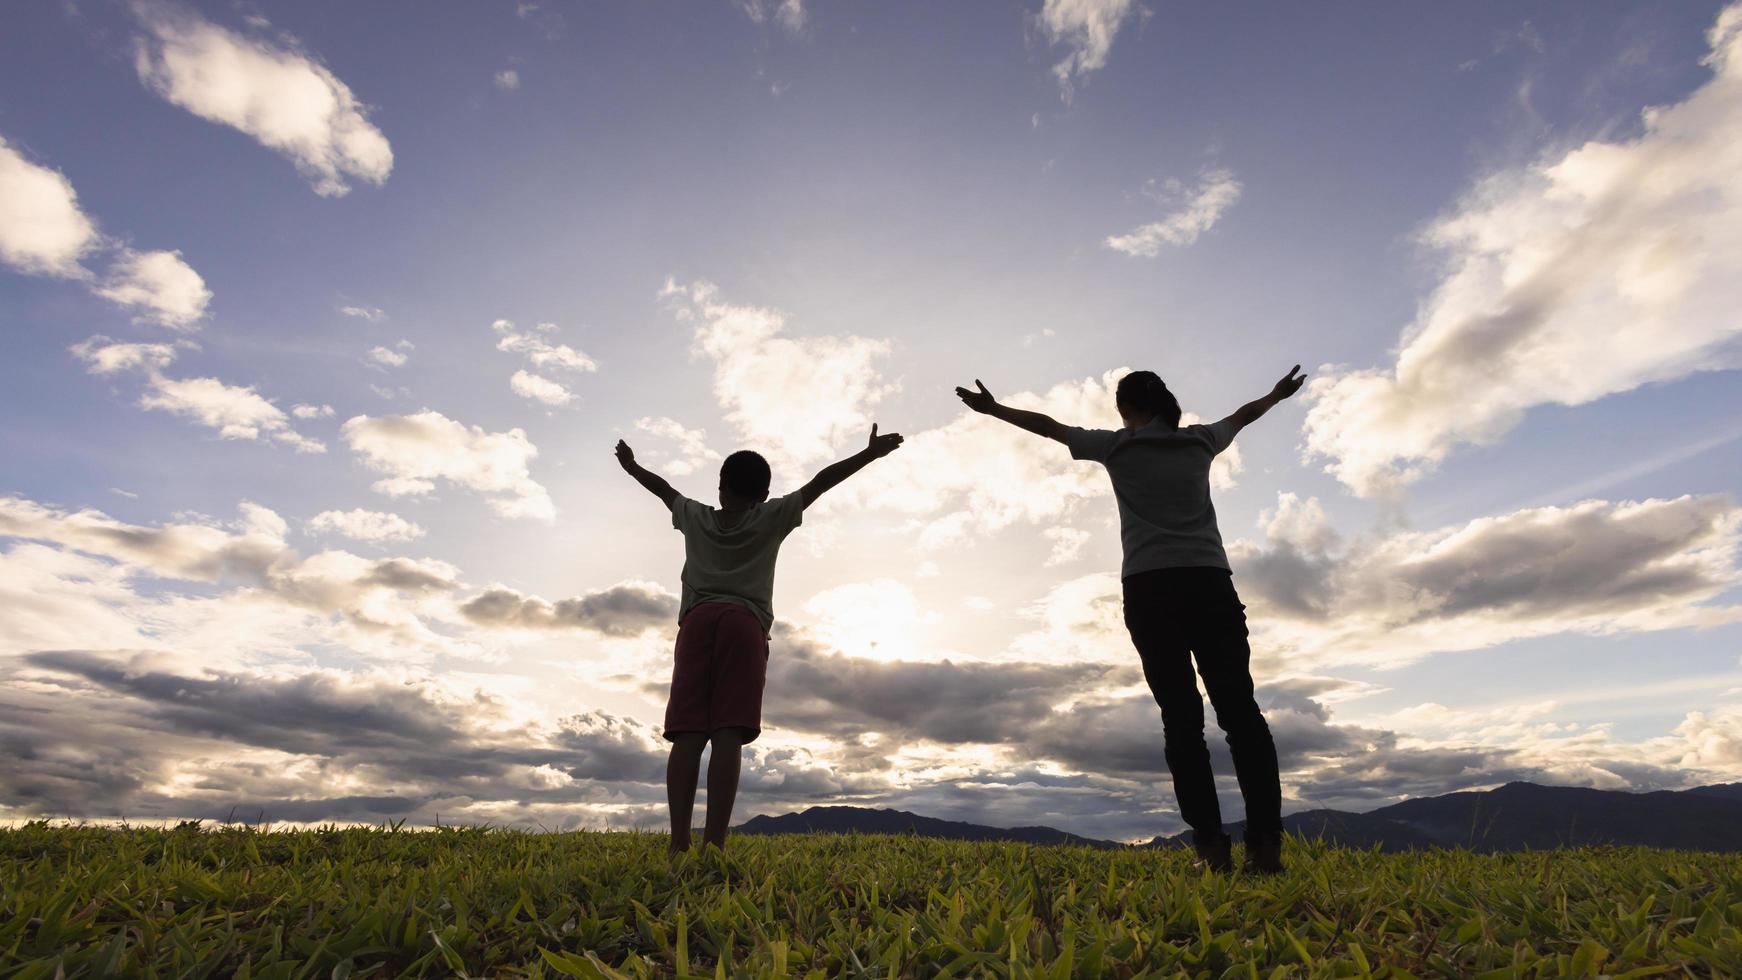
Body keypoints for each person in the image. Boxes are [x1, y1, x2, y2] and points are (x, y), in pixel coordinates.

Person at [954, 366, 1306, 874]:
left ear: (1126, 409)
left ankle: (1210, 852)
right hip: (1210, 583)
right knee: (1241, 715)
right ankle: (1265, 849)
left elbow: (1049, 426)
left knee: (1181, 721)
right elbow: (1244, 416)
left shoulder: (1117, 447)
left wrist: (994, 410)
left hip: (1149, 588)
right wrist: (1277, 392)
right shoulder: (1201, 440)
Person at [615, 425, 904, 854]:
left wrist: (632, 466)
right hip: (744, 624)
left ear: (721, 487)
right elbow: (821, 482)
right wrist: (868, 455)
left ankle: (678, 843)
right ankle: (714, 845)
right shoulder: (773, 516)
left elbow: (663, 489)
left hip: (697, 623)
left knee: (688, 735)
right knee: (729, 735)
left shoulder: (694, 516)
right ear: (765, 494)